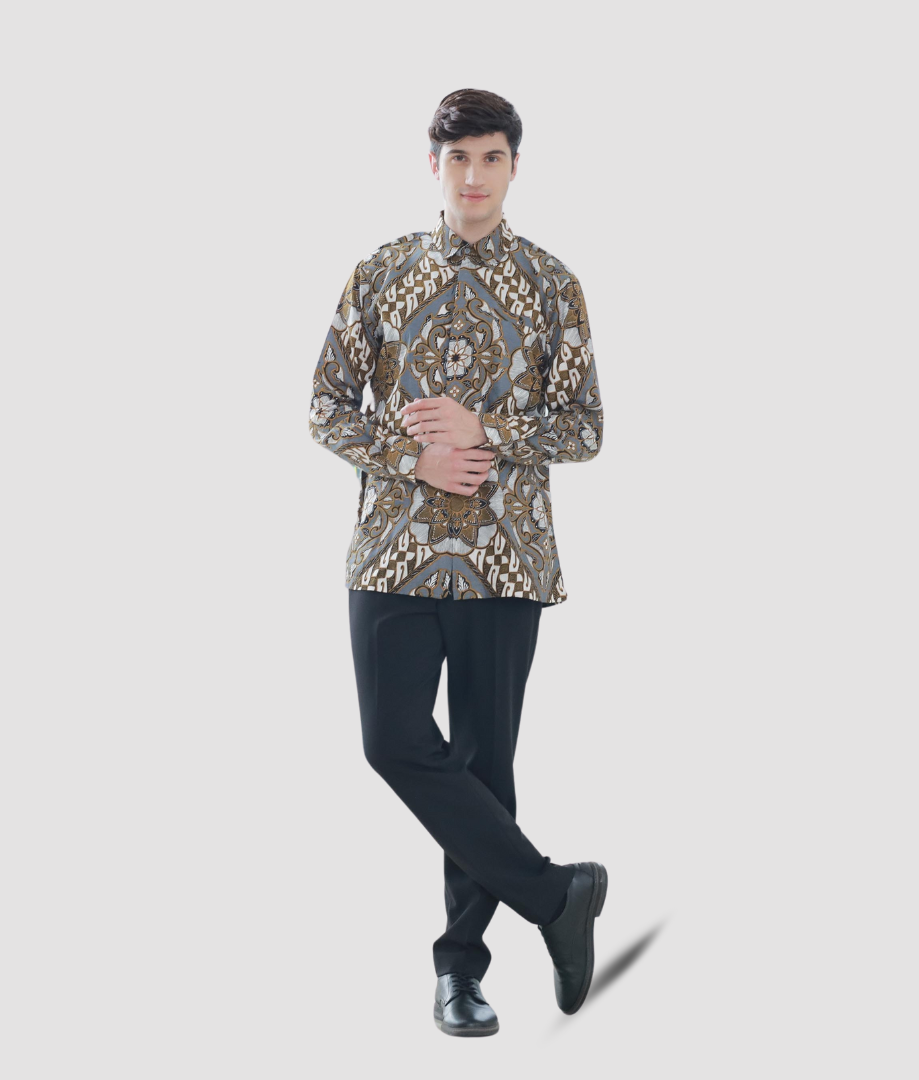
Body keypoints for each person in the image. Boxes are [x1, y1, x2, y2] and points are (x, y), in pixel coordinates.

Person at [308, 87, 607, 1036]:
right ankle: (555, 893)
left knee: (483, 764)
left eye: (491, 157)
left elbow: (586, 428)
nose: (473, 176)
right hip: (391, 551)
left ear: (514, 166)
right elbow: (325, 407)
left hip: (504, 558)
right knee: (392, 741)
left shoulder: (553, 284)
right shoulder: (380, 272)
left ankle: (461, 973)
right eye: (458, 158)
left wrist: (488, 430)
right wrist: (414, 458)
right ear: (431, 166)